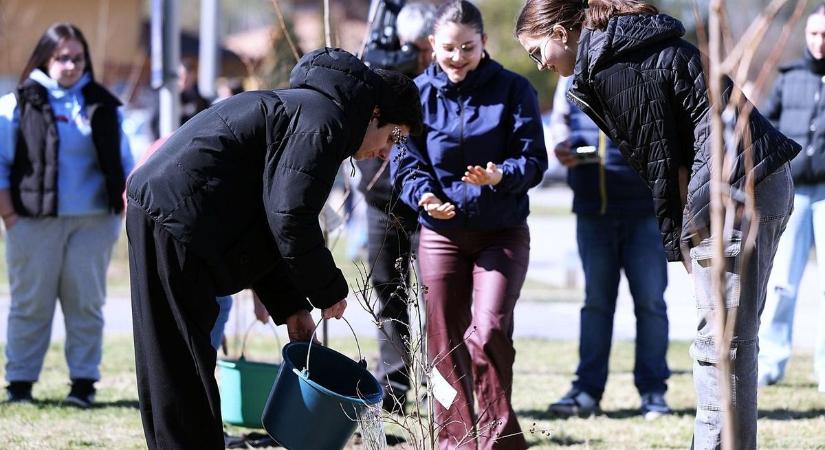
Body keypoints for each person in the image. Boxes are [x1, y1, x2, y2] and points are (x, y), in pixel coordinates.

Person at [515, 1, 799, 449]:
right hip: (744, 182)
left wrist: (684, 240)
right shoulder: (612, 54)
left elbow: (662, 165)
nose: (542, 63)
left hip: (742, 185)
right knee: (723, 340)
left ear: (561, 31)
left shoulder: (615, 67)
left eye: (537, 51)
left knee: (722, 344)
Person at [126, 47, 422, 449]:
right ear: (374, 113)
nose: (388, 151)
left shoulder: (314, 113)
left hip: (172, 213)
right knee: (179, 370)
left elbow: (268, 219)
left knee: (178, 366)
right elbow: (290, 219)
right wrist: (328, 290)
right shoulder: (324, 123)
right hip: (175, 215)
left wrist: (292, 307)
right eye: (394, 136)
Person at [392, 2, 548, 448]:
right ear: (431, 46)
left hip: (501, 231)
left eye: (467, 47)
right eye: (448, 48)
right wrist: (422, 194)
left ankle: (499, 438)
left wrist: (500, 175)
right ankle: (454, 440)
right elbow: (405, 159)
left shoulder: (514, 90)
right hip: (440, 233)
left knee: (489, 330)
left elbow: (533, 160)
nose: (457, 57)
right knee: (443, 343)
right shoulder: (415, 94)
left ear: (484, 44)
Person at [0, 23, 133, 407]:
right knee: (30, 304)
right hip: (32, 222)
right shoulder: (18, 103)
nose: (71, 65)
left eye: (78, 57)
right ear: (45, 57)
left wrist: (120, 213)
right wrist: (10, 217)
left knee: (86, 304)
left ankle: (83, 385)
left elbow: (125, 164)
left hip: (94, 223)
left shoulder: (102, 103)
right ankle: (20, 385)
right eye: (63, 57)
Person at [547, 76, 671, 419]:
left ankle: (653, 391)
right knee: (597, 304)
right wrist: (562, 145)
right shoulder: (569, 74)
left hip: (644, 212)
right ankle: (587, 390)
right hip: (592, 211)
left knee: (650, 303)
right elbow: (560, 122)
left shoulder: (639, 67)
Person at [357, 0, 436, 413]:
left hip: (429, 202)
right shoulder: (380, 70)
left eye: (428, 49)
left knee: (436, 296)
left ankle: (442, 388)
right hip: (381, 200)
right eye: (419, 49)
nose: (425, 58)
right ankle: (393, 388)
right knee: (388, 293)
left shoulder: (444, 77)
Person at [758, 3, 825, 391]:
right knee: (784, 282)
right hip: (795, 194)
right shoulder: (789, 78)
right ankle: (772, 361)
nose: (819, 42)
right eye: (814, 34)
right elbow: (765, 127)